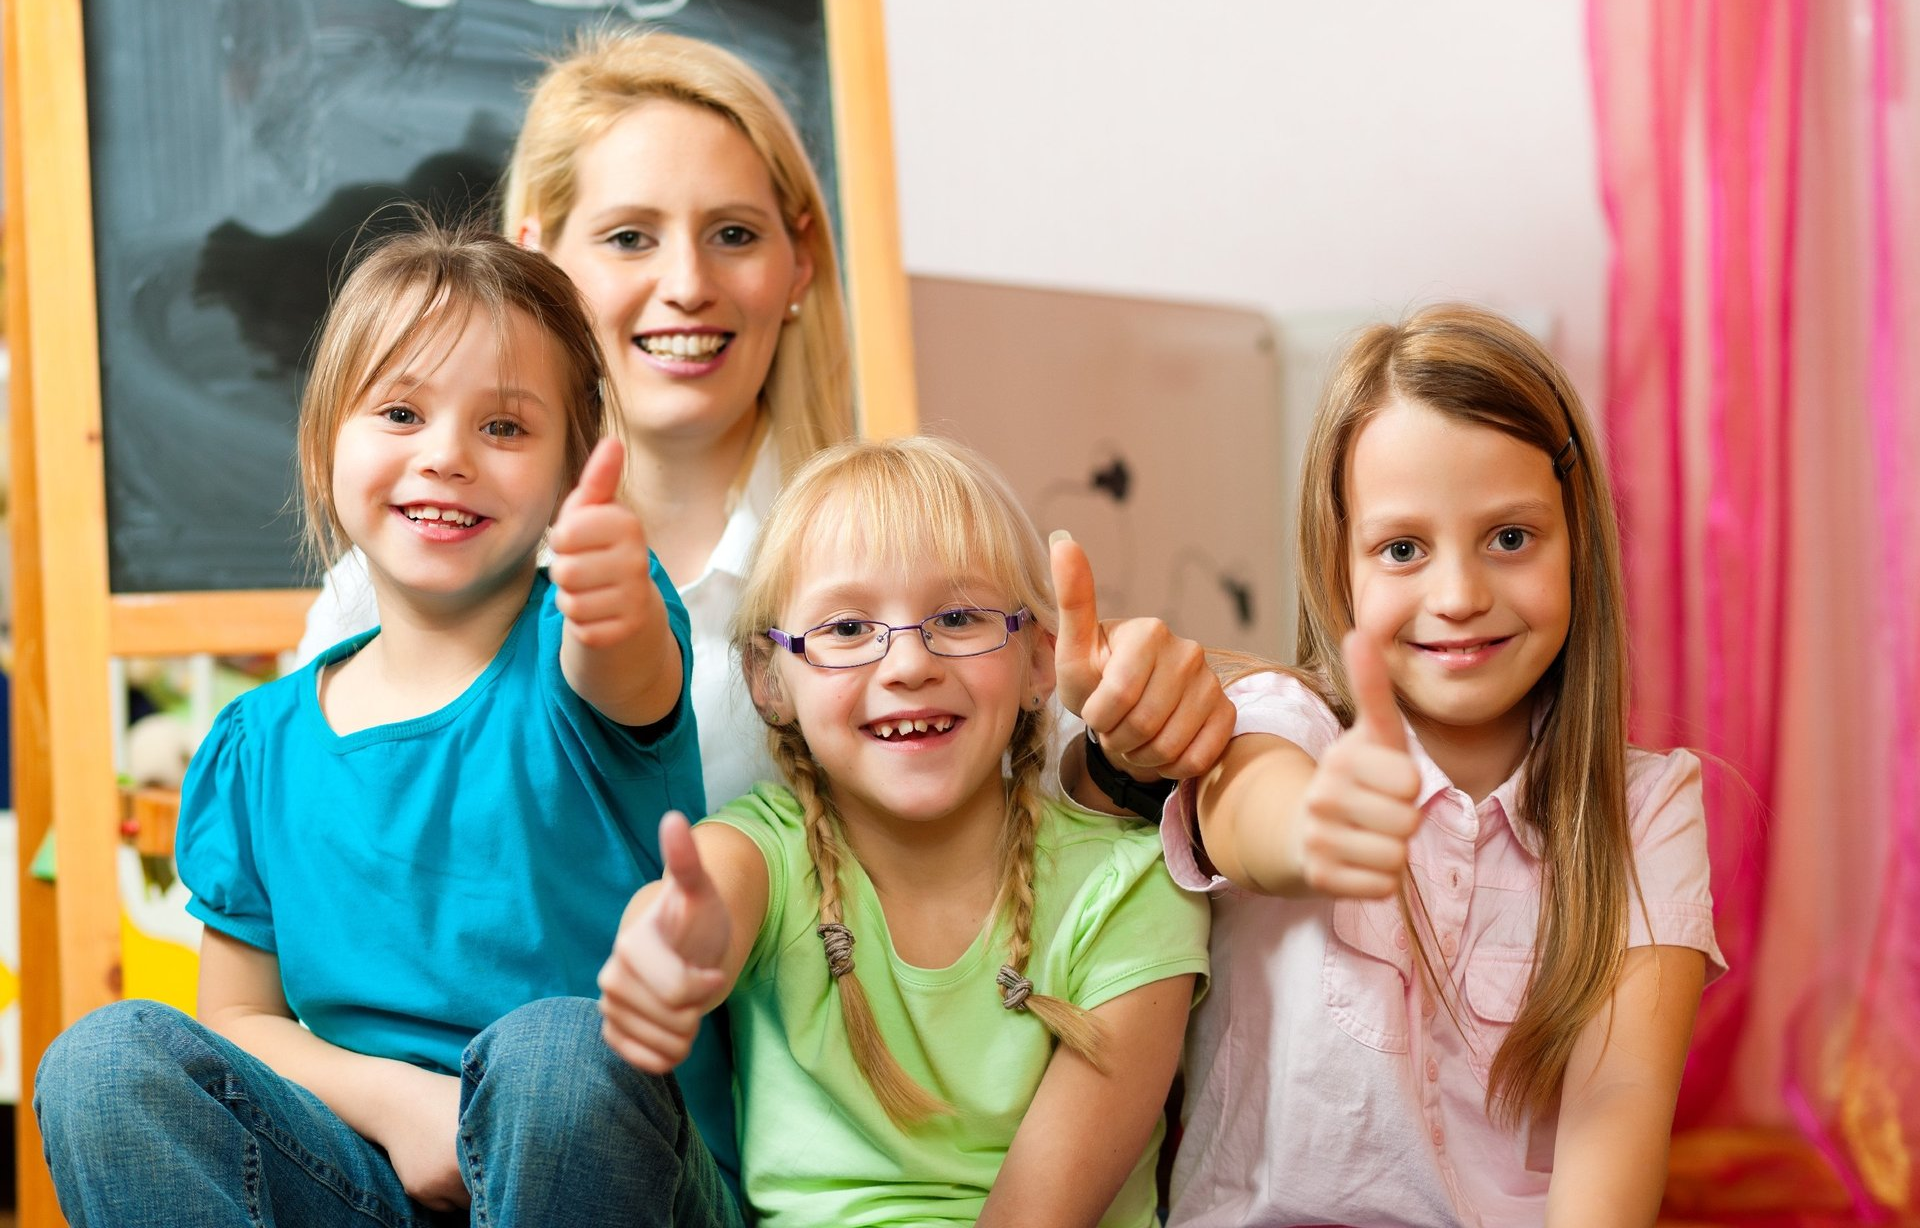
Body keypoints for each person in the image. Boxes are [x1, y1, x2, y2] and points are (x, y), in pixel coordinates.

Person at [35, 223, 741, 1227]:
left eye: (505, 427)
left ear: (570, 473)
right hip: (370, 1173)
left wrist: (613, 592)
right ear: (326, 446)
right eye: (402, 412)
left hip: (607, 1170)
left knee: (556, 1051)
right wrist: (405, 1105)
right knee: (104, 1064)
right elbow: (237, 1017)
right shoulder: (256, 747)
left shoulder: (584, 650)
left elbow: (625, 661)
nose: (446, 455)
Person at [1162, 304, 1724, 1226]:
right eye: (1403, 550)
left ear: (1579, 542)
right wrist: (1310, 833)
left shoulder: (1648, 807)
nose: (1459, 595)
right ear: (1339, 566)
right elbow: (1250, 810)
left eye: (1510, 538)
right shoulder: (1283, 722)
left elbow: (1617, 1109)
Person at [597, 436, 1212, 1227]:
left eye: (956, 617)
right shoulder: (766, 850)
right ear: (767, 678)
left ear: (1039, 662)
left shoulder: (1131, 887)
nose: (909, 664)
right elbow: (699, 901)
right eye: (848, 628)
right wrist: (671, 947)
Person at [298, 29, 852, 810]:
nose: (687, 284)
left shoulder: (895, 549)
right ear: (540, 263)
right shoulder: (395, 576)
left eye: (734, 234)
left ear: (798, 262)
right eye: (629, 238)